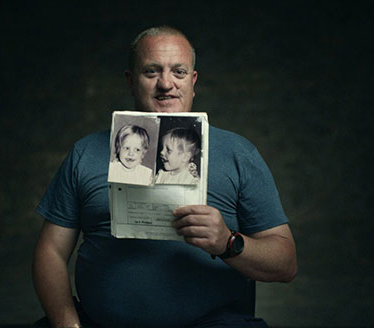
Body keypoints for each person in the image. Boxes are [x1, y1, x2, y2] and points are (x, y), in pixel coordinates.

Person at [33, 26, 297, 328]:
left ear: (193, 82)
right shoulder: (86, 153)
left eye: (179, 72)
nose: (166, 84)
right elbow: (51, 251)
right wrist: (67, 323)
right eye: (151, 71)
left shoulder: (239, 154)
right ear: (131, 82)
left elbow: (286, 263)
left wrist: (228, 242)